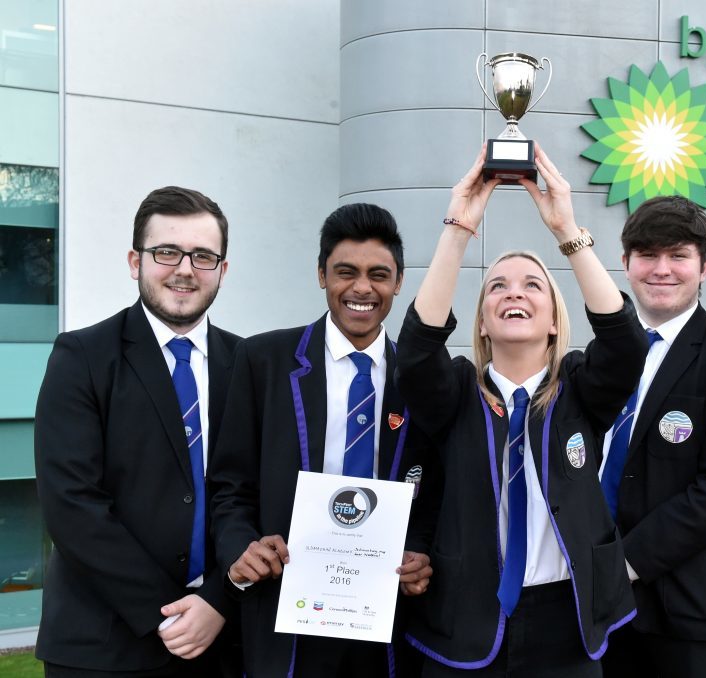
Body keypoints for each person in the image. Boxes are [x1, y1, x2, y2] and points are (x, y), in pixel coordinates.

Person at [395, 145, 646, 677]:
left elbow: (625, 343)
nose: (516, 293)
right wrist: (458, 229)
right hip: (467, 618)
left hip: (568, 620)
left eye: (533, 285)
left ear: (554, 319)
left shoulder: (579, 388)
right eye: (497, 287)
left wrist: (567, 231)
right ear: (482, 322)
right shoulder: (457, 392)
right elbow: (416, 353)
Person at [207, 202, 436, 678]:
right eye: (345, 272)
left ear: (398, 282)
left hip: (385, 619)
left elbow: (433, 495)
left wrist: (420, 553)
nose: (361, 288)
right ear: (321, 275)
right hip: (285, 611)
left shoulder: (420, 381)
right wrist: (241, 547)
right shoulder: (263, 360)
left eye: (378, 274)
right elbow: (229, 485)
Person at [34, 186, 241, 676]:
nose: (185, 268)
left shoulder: (248, 365)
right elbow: (72, 505)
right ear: (135, 261)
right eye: (167, 251)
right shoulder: (81, 357)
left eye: (204, 255)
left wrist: (217, 600)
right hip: (103, 647)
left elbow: (253, 495)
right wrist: (169, 613)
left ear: (223, 270)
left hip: (224, 642)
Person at [598, 196, 706, 677]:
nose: (662, 270)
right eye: (648, 255)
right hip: (600, 613)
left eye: (678, 256)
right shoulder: (603, 355)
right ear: (625, 263)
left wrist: (622, 562)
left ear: (705, 267)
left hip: (693, 617)